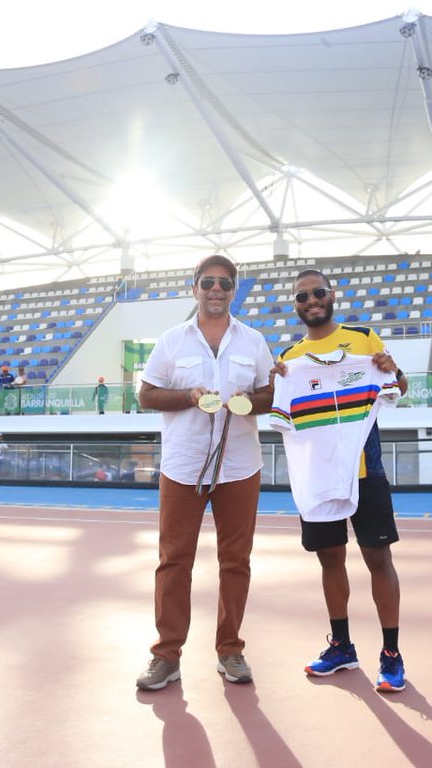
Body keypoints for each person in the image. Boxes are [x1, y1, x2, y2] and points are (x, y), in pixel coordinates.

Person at [134, 254, 274, 692]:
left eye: (225, 284)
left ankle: (230, 649)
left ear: (235, 291)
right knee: (174, 562)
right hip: (183, 468)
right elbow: (146, 395)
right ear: (194, 288)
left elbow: (271, 392)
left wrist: (250, 402)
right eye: (208, 282)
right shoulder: (172, 341)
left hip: (239, 467)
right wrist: (188, 396)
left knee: (236, 562)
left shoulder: (253, 340)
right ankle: (166, 655)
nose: (217, 290)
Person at [272, 268, 410, 693]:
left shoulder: (365, 339)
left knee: (378, 559)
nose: (311, 300)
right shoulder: (289, 362)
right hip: (318, 480)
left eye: (318, 293)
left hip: (366, 472)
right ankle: (342, 646)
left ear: (331, 296)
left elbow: (398, 386)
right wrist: (276, 382)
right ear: (294, 306)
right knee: (330, 559)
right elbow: (279, 414)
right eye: (302, 296)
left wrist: (392, 369)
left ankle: (391, 653)